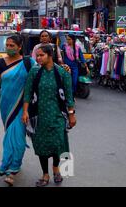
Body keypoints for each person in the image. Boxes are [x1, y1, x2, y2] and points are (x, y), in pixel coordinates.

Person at [22, 44, 76, 187]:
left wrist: (71, 114)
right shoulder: (34, 72)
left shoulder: (62, 73)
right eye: (37, 55)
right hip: (38, 116)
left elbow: (69, 96)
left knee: (57, 144)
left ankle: (56, 168)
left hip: (57, 116)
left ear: (50, 56)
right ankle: (45, 174)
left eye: (41, 55)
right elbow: (27, 92)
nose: (38, 58)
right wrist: (25, 111)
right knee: (42, 146)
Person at [0, 35, 36, 186]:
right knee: (10, 136)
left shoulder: (28, 62)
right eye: (7, 45)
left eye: (12, 45)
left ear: (20, 47)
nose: (9, 48)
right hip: (6, 106)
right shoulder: (0, 63)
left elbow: (41, 76)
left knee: (18, 139)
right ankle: (10, 165)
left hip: (24, 106)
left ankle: (12, 169)